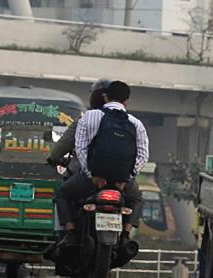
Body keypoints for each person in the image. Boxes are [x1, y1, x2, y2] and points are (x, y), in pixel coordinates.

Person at [54, 81, 149, 247]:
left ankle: (69, 232)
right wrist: (126, 178)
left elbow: (81, 148)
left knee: (62, 193)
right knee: (137, 200)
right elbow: (143, 156)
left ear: (105, 96)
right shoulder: (136, 123)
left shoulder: (89, 118)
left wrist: (92, 176)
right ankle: (126, 235)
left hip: (91, 180)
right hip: (121, 182)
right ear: (126, 101)